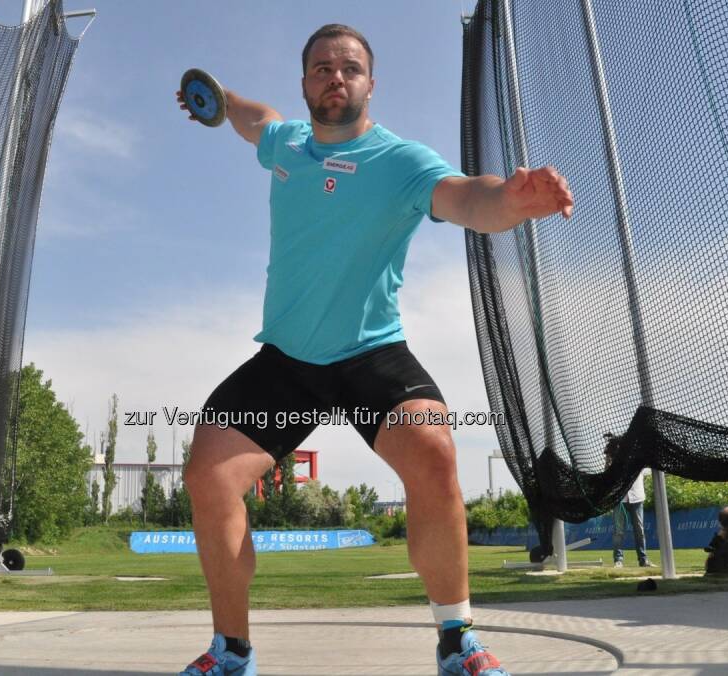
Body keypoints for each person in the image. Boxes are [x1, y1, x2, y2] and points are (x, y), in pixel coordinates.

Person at [175, 24, 573, 676]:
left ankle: (456, 640)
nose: (336, 76)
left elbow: (468, 197)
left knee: (435, 452)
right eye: (322, 67)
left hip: (370, 355)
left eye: (350, 67)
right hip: (288, 360)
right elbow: (257, 120)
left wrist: (510, 200)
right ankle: (232, 651)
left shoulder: (402, 161)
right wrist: (218, 100)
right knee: (207, 476)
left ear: (370, 83)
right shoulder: (287, 144)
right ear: (307, 82)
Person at [612, 470, 655, 568]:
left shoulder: (638, 458)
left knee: (639, 530)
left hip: (637, 498)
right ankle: (618, 560)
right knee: (618, 532)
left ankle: (643, 560)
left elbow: (648, 470)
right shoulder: (615, 459)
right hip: (619, 499)